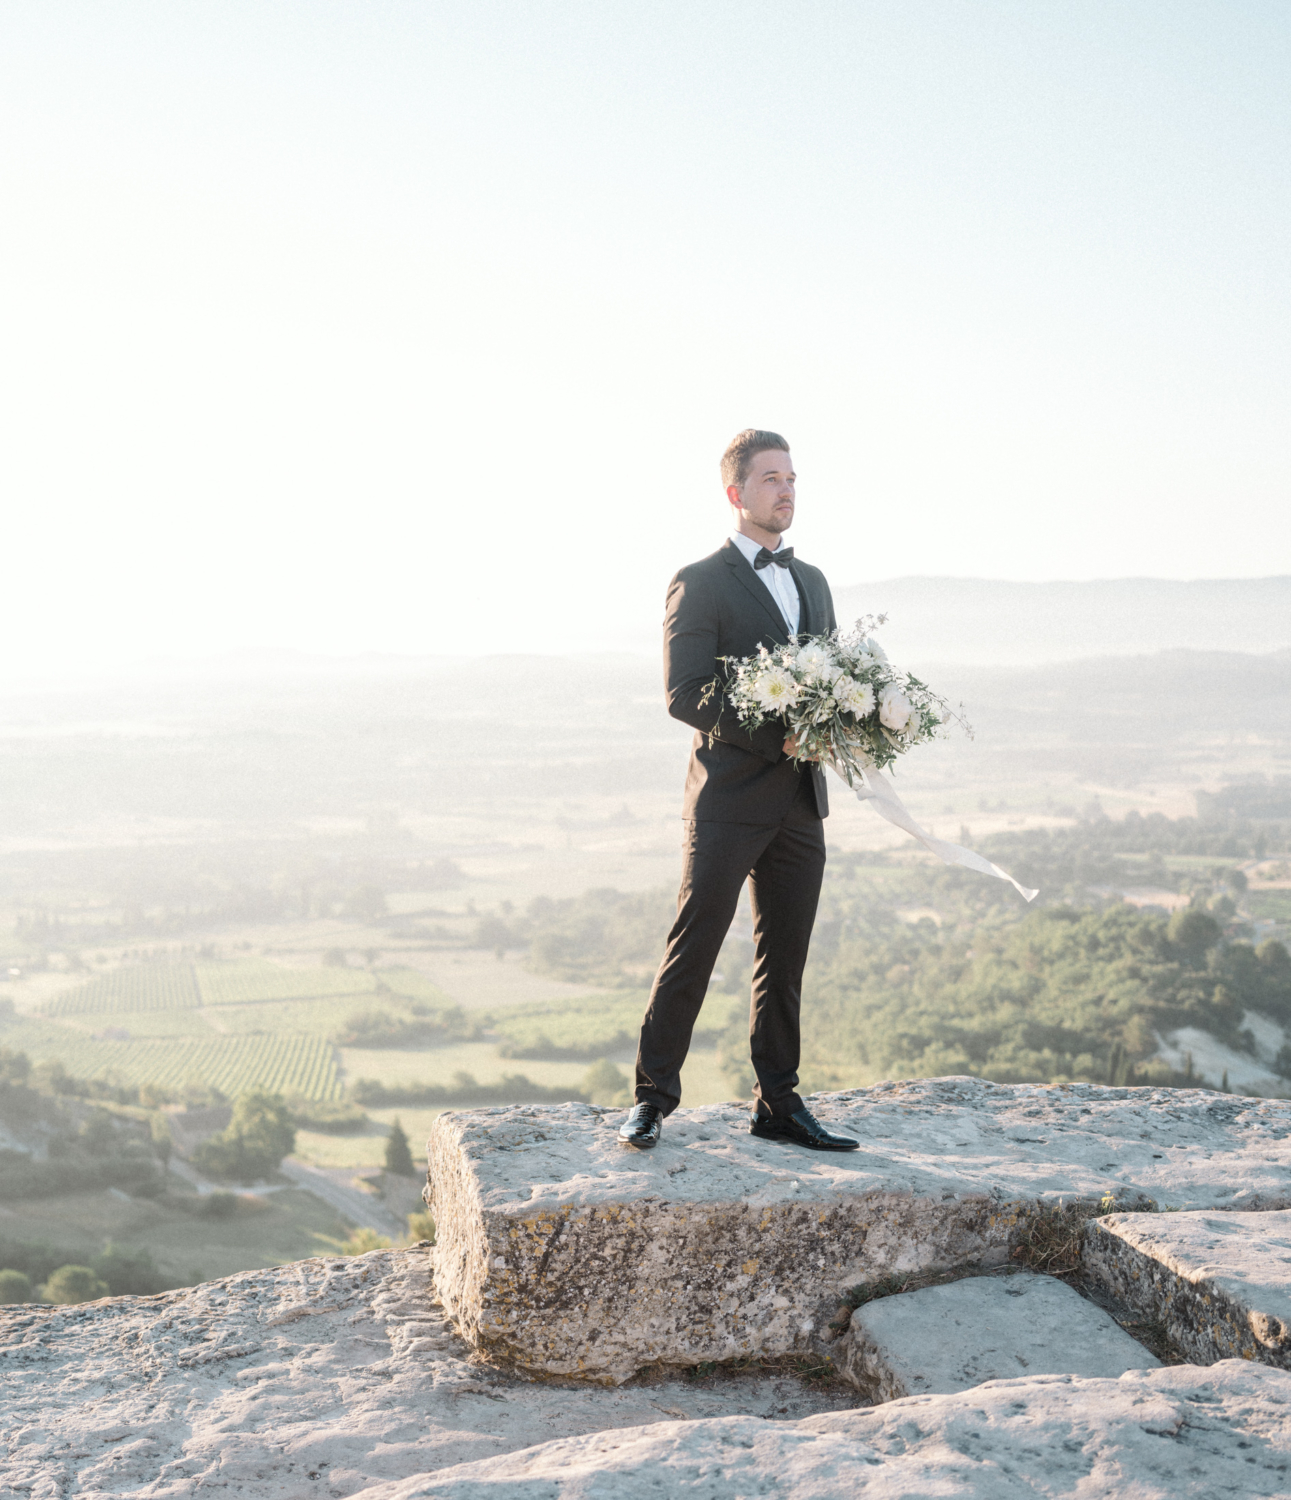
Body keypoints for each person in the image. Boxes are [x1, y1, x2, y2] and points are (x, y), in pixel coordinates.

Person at [619, 430, 859, 1153]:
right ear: (736, 493)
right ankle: (650, 1101)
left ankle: (777, 1102)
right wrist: (775, 737)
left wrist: (841, 723)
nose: (785, 491)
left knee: (783, 959)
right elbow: (684, 693)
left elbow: (830, 678)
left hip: (798, 800)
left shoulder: (813, 580)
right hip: (725, 798)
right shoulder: (700, 579)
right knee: (693, 947)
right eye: (769, 479)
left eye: (791, 478)